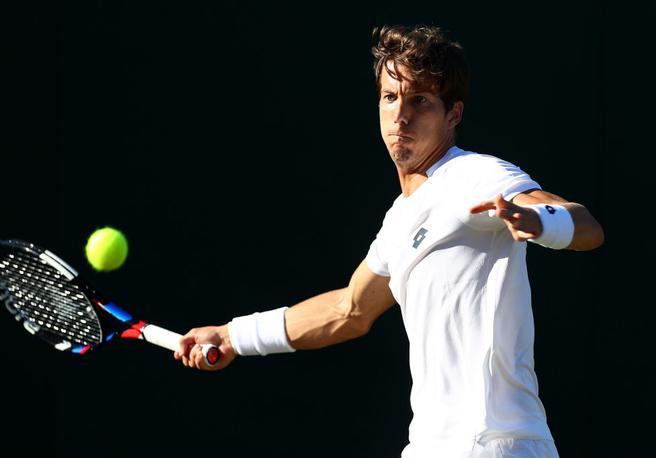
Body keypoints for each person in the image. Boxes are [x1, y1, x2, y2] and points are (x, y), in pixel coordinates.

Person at [173, 24, 604, 458]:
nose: (401, 116)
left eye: (420, 101)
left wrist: (537, 219)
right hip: (434, 445)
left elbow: (586, 226)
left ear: (453, 114)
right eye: (390, 97)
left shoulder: (475, 175)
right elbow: (349, 310)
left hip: (491, 443)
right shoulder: (400, 219)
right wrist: (233, 336)